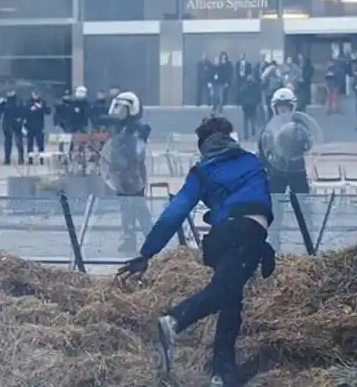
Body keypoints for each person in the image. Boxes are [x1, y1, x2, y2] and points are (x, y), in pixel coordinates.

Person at [117, 116, 276, 387]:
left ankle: (222, 373)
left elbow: (175, 213)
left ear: (204, 145)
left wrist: (147, 253)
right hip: (245, 236)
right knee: (225, 292)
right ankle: (174, 320)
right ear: (230, 137)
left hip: (220, 239)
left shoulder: (203, 170)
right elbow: (255, 204)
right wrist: (260, 242)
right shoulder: (251, 161)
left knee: (231, 300)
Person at [100, 91, 154, 253]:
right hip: (119, 173)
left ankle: (151, 238)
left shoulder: (138, 129)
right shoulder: (118, 128)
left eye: (123, 109)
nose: (119, 113)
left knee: (138, 207)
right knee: (124, 207)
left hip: (133, 174)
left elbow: (137, 152)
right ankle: (129, 238)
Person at [259, 87, 311, 195]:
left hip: (296, 169)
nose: (282, 109)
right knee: (275, 201)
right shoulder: (269, 127)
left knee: (303, 201)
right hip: (275, 171)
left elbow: (308, 144)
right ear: (274, 108)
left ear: (292, 107)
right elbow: (262, 148)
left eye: (286, 105)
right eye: (279, 106)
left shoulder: (299, 125)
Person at [0, 90, 26, 165]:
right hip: (7, 123)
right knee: (8, 142)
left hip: (17, 123)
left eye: (10, 92)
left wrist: (21, 119)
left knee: (19, 142)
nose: (9, 93)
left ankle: (21, 158)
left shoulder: (18, 101)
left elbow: (23, 111)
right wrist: (0, 104)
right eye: (8, 92)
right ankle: (7, 159)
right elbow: (0, 111)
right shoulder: (4, 101)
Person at [25, 90, 51, 164]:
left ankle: (41, 159)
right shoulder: (28, 102)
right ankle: (30, 160)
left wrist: (40, 107)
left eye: (37, 94)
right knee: (30, 144)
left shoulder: (42, 102)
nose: (35, 96)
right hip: (29, 126)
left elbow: (48, 112)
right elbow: (25, 112)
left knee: (40, 144)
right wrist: (30, 110)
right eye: (34, 94)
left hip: (39, 126)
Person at [238, 74, 260, 140]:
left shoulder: (244, 86)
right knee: (253, 119)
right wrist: (257, 102)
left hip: (246, 105)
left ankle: (246, 135)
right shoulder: (255, 86)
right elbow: (258, 95)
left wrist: (241, 103)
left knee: (245, 121)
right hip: (253, 105)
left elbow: (240, 94)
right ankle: (253, 128)